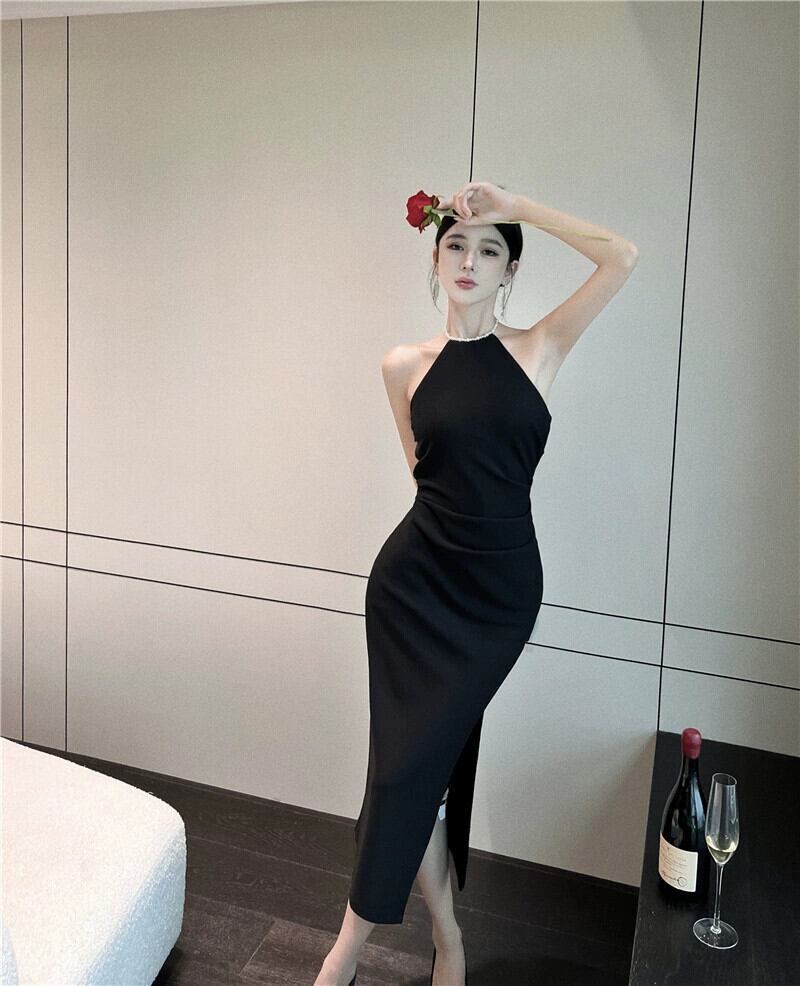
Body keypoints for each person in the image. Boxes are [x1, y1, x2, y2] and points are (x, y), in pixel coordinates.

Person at [313, 182, 638, 986]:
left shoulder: (540, 348)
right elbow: (426, 476)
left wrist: (519, 207)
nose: (470, 260)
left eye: (490, 249)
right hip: (411, 592)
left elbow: (622, 258)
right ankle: (433, 939)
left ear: (510, 271)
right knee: (407, 774)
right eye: (456, 245)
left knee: (410, 773)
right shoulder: (402, 366)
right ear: (436, 259)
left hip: (495, 603)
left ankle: (364, 949)